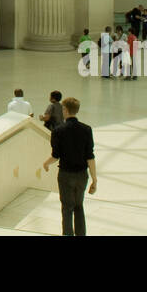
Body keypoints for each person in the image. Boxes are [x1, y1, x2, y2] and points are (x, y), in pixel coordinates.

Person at [42, 96, 97, 236]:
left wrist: (46, 164)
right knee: (79, 206)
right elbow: (90, 156)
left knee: (67, 208)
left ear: (65, 110)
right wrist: (94, 180)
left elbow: (56, 155)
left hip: (66, 175)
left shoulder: (58, 131)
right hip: (82, 175)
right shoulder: (86, 129)